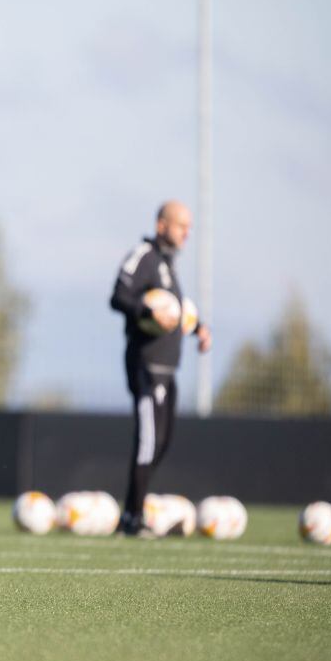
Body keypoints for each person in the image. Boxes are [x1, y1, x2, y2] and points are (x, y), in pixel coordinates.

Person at [109, 200, 212, 537]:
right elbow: (118, 297)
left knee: (163, 442)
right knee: (148, 442)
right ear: (161, 225)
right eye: (182, 226)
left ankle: (132, 510)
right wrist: (147, 312)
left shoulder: (168, 264)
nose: (187, 233)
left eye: (189, 227)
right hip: (146, 365)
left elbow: (177, 311)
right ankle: (133, 519)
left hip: (169, 367)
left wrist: (198, 329)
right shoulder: (144, 255)